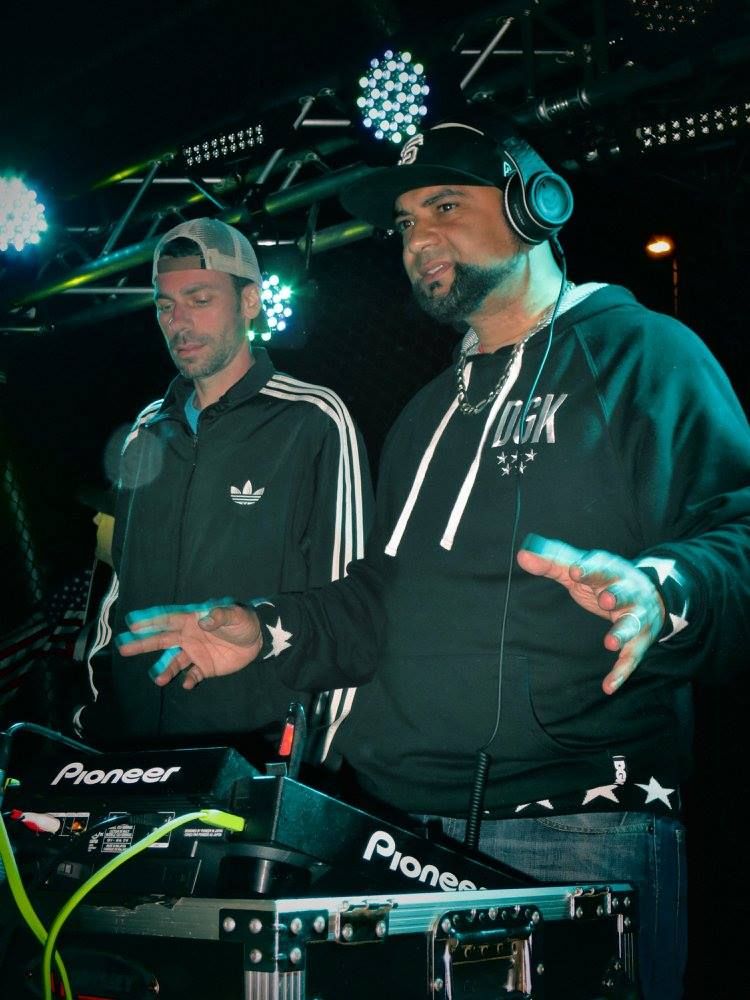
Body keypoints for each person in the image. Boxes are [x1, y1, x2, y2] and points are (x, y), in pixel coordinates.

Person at [115, 123, 750, 998]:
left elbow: (735, 528)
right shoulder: (423, 415)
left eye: (444, 207)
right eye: (407, 222)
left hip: (575, 827)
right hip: (397, 830)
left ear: (534, 208)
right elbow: (382, 598)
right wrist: (266, 629)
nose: (418, 238)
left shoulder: (643, 355)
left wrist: (663, 590)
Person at [78, 217, 373, 765]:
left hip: (255, 759)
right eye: (166, 306)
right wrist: (95, 722)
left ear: (250, 301)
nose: (179, 322)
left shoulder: (313, 419)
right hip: (134, 753)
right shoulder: (146, 430)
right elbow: (117, 588)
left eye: (200, 299)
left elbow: (350, 605)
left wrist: (313, 765)